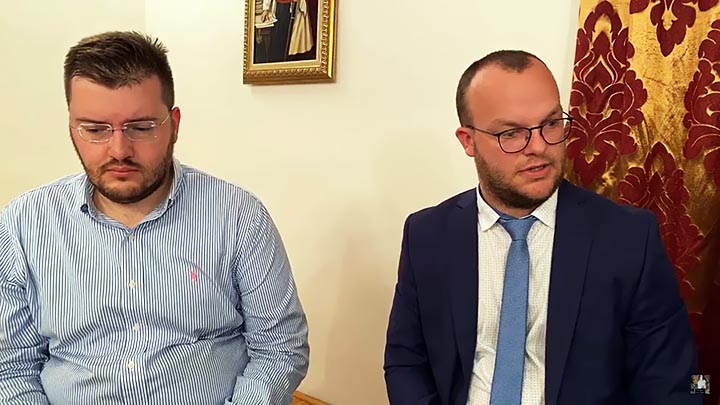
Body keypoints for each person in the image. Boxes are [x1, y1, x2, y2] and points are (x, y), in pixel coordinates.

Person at [0, 31, 308, 405]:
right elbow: (11, 367)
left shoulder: (238, 216)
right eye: (95, 130)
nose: (119, 150)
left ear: (173, 125)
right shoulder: (24, 224)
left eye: (141, 127)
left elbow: (279, 348)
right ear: (71, 128)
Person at [383, 50, 699, 404]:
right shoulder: (426, 235)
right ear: (468, 140)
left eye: (551, 124)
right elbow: (404, 360)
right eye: (511, 133)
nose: (538, 147)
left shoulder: (629, 238)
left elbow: (679, 379)